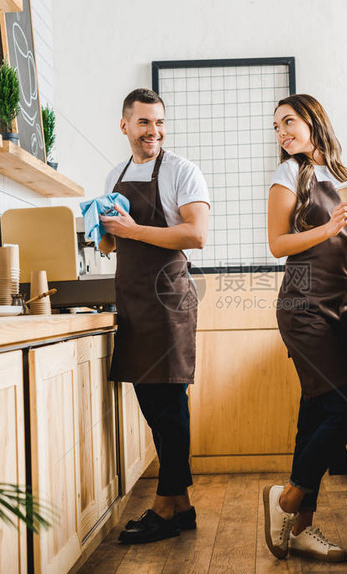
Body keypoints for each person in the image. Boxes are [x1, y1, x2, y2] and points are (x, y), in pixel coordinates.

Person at [262, 94, 347, 562]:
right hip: (302, 307)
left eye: (289, 122)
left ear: (314, 122)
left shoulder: (342, 176)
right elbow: (278, 243)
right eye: (277, 127)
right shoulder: (286, 176)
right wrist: (329, 226)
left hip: (339, 306)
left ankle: (300, 529)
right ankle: (287, 499)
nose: (282, 133)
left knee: (316, 414)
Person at [99, 88, 210, 545]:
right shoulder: (116, 173)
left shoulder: (182, 171)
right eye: (144, 122)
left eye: (159, 122)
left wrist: (131, 230)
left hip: (167, 301)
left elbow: (196, 234)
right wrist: (106, 235)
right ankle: (182, 508)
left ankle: (165, 508)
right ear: (124, 126)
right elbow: (114, 242)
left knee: (168, 406)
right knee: (155, 406)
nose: (154, 131)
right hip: (132, 301)